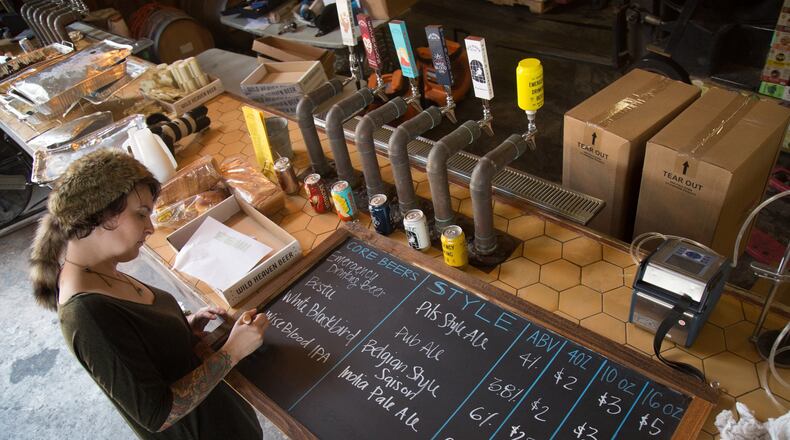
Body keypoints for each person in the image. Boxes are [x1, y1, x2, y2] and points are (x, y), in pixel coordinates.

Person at [29, 149, 269, 439]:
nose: (151, 227)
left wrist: (181, 327)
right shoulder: (87, 316)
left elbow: (140, 345)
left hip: (224, 417)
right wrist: (233, 352)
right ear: (102, 214)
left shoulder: (102, 267)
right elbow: (157, 413)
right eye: (141, 214)